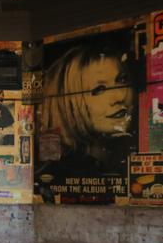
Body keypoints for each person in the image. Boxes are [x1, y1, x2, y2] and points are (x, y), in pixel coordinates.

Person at [39, 44, 136, 173]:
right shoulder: (65, 170)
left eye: (122, 80)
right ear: (69, 104)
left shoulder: (120, 157)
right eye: (99, 90)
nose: (120, 96)